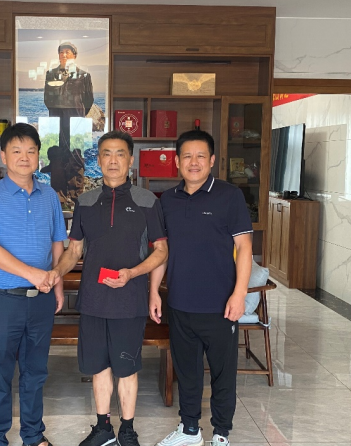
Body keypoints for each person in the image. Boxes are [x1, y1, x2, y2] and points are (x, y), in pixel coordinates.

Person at [49, 130, 168, 446]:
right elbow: (74, 250)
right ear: (98, 161)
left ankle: (127, 430)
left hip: (129, 300)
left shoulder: (147, 201)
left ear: (130, 160)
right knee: (98, 366)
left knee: (126, 366)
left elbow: (161, 251)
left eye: (120, 154)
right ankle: (103, 429)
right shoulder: (85, 202)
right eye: (106, 153)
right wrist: (55, 273)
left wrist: (134, 274)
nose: (113, 160)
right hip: (92, 299)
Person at [150, 130, 253, 446]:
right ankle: (190, 429)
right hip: (180, 303)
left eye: (200, 156)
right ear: (177, 161)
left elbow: (244, 247)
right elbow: (162, 251)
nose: (193, 162)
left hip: (221, 304)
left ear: (211, 160)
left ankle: (221, 434)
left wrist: (239, 294)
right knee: (187, 372)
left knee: (223, 374)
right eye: (187, 156)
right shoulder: (167, 200)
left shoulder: (229, 196)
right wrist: (154, 291)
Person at [0, 123, 67, 446]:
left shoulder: (49, 195)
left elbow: (57, 242)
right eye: (16, 151)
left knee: (35, 372)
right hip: (2, 300)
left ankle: (33, 435)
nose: (24, 157)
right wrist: (32, 274)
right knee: (0, 373)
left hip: (41, 300)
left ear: (38, 156)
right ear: (3, 156)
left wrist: (57, 283)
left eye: (31, 151)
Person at [44, 41, 94, 151]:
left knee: (76, 150)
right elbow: (47, 98)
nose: (64, 55)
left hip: (76, 118)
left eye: (67, 52)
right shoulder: (50, 74)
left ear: (74, 55)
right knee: (57, 150)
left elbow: (89, 99)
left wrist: (79, 113)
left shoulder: (84, 75)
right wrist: (56, 109)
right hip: (56, 118)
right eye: (61, 52)